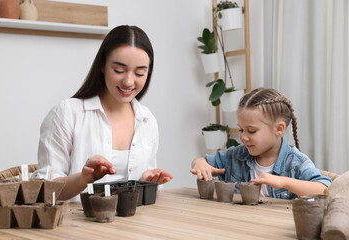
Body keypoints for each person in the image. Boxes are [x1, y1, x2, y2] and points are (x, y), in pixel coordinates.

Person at [32, 25, 173, 201]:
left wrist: (146, 182)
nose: (129, 82)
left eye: (139, 73)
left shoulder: (147, 120)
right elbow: (44, 192)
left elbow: (141, 191)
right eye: (119, 70)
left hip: (134, 225)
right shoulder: (67, 113)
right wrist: (83, 179)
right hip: (75, 226)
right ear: (102, 66)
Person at [190, 88, 331, 199]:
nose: (243, 137)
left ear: (279, 129)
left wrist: (284, 182)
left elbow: (324, 189)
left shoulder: (296, 162)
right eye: (241, 129)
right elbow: (203, 161)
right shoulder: (236, 155)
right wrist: (199, 164)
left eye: (251, 131)